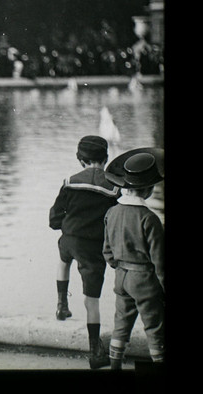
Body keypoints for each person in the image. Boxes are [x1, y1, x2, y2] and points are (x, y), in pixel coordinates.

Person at [49, 135, 120, 369]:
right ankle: (94, 350)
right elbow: (115, 220)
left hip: (69, 240)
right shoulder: (113, 188)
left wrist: (68, 226)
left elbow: (54, 218)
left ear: (80, 160)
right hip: (93, 248)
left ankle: (61, 304)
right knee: (92, 301)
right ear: (106, 159)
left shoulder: (69, 181)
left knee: (63, 258)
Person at [102, 148, 165, 370]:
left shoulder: (112, 213)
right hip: (144, 280)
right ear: (147, 190)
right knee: (155, 327)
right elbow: (160, 262)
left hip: (121, 277)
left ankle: (115, 367)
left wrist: (119, 266)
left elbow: (107, 251)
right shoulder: (150, 219)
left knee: (121, 325)